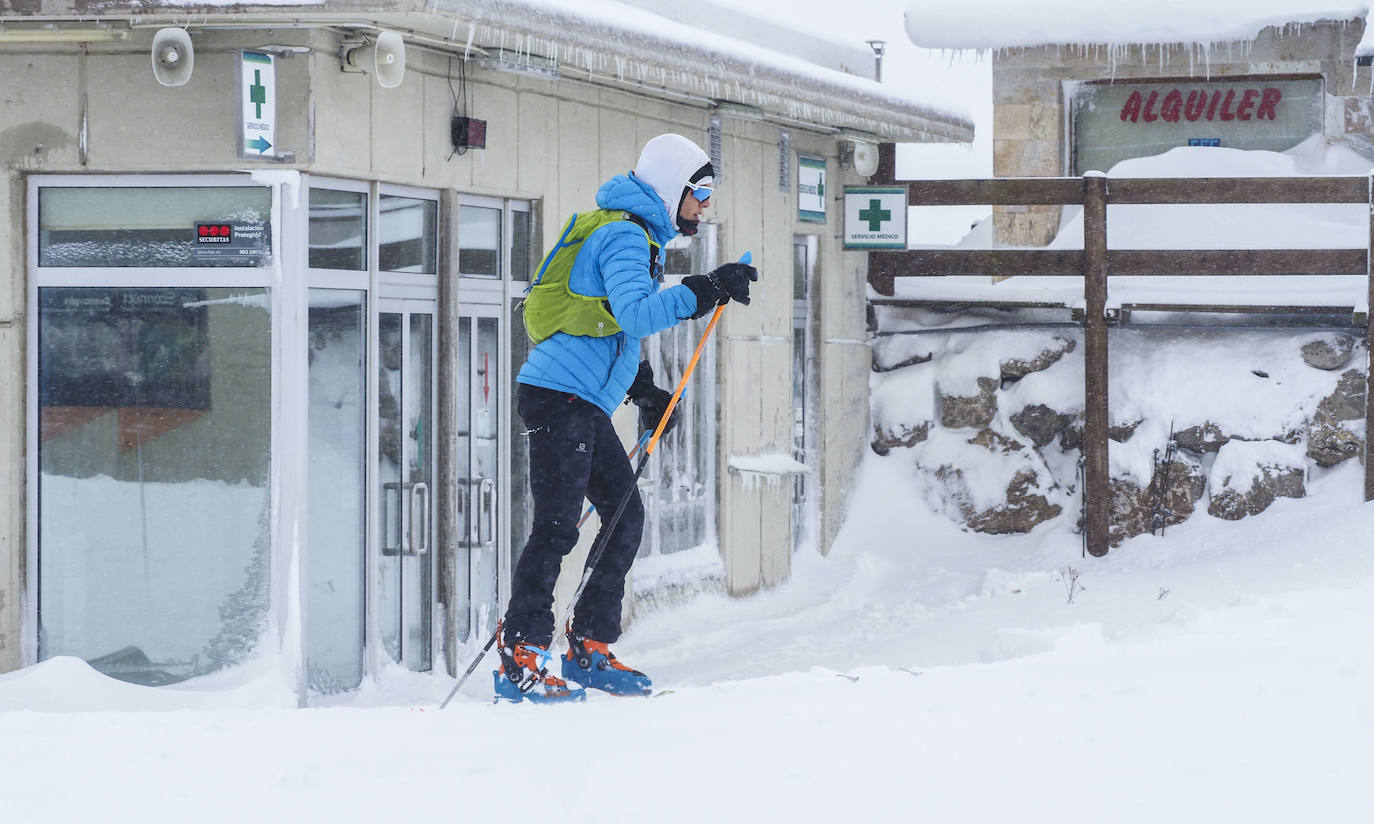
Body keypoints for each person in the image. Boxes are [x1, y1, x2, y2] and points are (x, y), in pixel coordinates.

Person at [494, 133, 758, 703]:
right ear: (672, 188)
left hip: (580, 398)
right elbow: (636, 314)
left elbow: (607, 325)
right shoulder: (622, 235)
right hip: (557, 395)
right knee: (559, 525)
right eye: (700, 191)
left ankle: (588, 644)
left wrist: (643, 391)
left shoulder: (633, 235)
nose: (704, 205)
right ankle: (521, 652)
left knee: (622, 516)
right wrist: (707, 288)